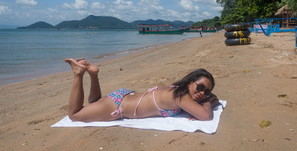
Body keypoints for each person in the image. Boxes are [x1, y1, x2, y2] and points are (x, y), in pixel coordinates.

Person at [64, 58, 219, 122]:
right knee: (74, 115)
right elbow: (206, 116)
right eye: (200, 87)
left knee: (94, 102)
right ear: (190, 83)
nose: (202, 94)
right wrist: (208, 102)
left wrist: (209, 99)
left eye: (207, 92)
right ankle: (78, 73)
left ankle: (93, 74)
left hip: (124, 96)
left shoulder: (178, 89)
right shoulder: (181, 97)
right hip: (117, 106)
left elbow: (208, 103)